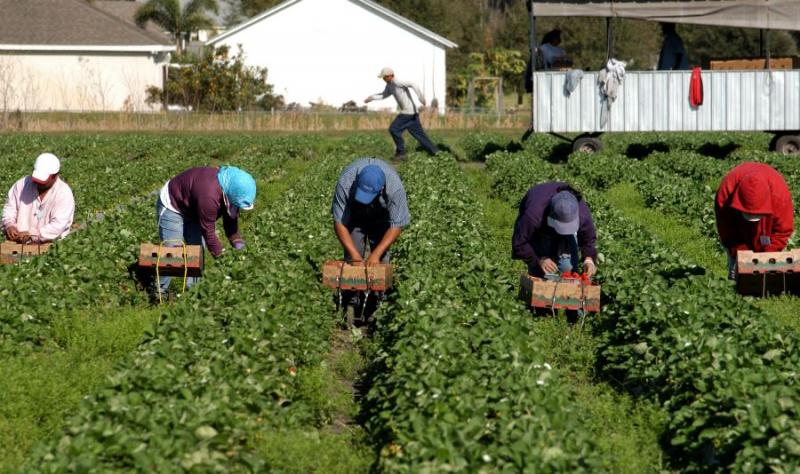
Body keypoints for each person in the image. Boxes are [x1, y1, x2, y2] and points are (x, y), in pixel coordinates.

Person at [154, 165, 255, 299]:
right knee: (173, 250)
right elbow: (208, 232)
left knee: (196, 250)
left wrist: (239, 245)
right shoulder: (209, 195)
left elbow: (230, 223)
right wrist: (223, 259)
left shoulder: (229, 189)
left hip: (194, 207)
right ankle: (158, 293)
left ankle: (193, 292)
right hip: (173, 204)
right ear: (230, 194)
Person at [332, 158, 410, 322]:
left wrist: (376, 254)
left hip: (382, 218)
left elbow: (396, 225)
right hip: (354, 216)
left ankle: (376, 304)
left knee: (380, 262)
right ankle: (351, 301)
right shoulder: (345, 183)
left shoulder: (395, 188)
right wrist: (354, 254)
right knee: (353, 260)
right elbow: (340, 222)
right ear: (357, 181)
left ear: (381, 188)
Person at [715, 162, 794, 279]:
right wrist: (742, 255)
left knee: (773, 273)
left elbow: (782, 232)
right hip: (738, 231)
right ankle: (735, 287)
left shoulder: (779, 196)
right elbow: (728, 233)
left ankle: (769, 290)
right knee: (736, 272)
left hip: (768, 234)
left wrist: (768, 256)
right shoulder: (726, 194)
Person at [512, 182, 597, 279]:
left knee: (568, 268)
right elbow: (519, 243)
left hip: (564, 233)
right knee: (541, 273)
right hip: (540, 230)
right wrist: (539, 259)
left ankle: (568, 292)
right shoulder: (533, 215)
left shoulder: (582, 214)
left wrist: (589, 260)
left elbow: (588, 239)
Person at [364, 67, 438, 160]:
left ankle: (401, 152)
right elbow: (384, 95)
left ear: (390, 75)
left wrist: (421, 97)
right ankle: (436, 152)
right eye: (383, 78)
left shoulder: (397, 82)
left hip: (407, 112)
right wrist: (372, 97)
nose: (383, 79)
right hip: (413, 113)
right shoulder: (389, 86)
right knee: (419, 135)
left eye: (385, 77)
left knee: (394, 129)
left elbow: (412, 84)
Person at [2, 153, 75, 244]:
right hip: (18, 242)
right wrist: (9, 225)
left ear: (55, 176)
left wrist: (32, 235)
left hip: (52, 245)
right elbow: (10, 208)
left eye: (43, 181)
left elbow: (58, 225)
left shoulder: (64, 193)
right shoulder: (21, 185)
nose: (38, 183)